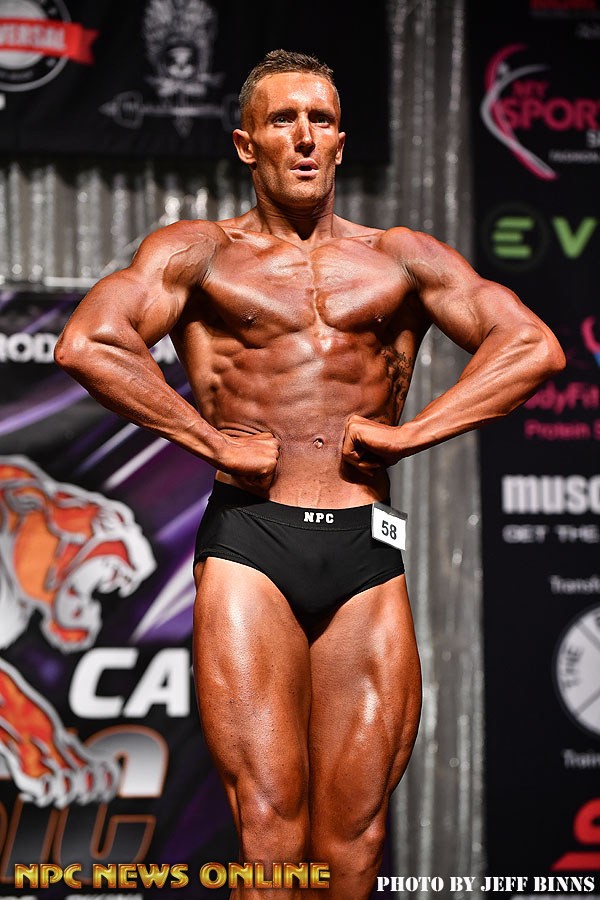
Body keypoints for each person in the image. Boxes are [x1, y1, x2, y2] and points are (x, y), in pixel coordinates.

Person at [54, 49, 565, 899]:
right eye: (283, 120)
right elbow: (88, 344)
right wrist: (210, 442)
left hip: (366, 546)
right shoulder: (199, 253)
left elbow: (533, 347)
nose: (303, 137)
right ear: (245, 143)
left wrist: (414, 435)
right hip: (252, 542)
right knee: (270, 827)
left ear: (339, 141)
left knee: (354, 841)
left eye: (320, 120)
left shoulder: (401, 258)